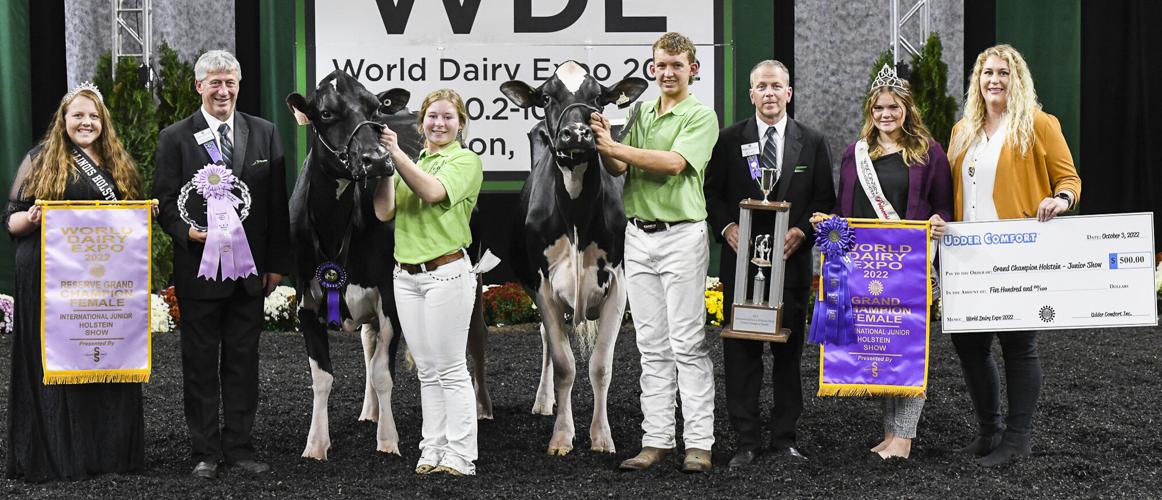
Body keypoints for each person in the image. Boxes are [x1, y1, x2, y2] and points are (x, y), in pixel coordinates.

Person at [153, 50, 290, 479]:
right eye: (214, 82)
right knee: (198, 364)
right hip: (199, 272)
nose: (223, 90)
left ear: (239, 85)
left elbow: (276, 207)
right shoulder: (175, 137)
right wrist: (187, 233)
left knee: (243, 363)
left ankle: (241, 448)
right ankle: (204, 453)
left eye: (230, 82)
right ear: (199, 87)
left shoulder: (265, 132)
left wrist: (277, 264)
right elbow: (163, 202)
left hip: (250, 275)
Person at [589, 31, 719, 473]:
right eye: (661, 65)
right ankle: (656, 439)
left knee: (687, 342)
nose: (667, 72)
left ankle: (699, 442)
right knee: (650, 344)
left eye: (676, 66)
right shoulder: (641, 110)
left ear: (692, 70)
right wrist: (606, 143)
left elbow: (674, 164)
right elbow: (618, 166)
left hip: (682, 234)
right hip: (639, 235)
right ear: (653, 68)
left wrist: (615, 145)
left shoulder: (701, 115)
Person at [946, 44, 1080, 466]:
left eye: (1004, 73)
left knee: (1018, 346)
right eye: (987, 73)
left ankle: (1018, 439)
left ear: (1017, 79)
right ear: (977, 80)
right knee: (970, 347)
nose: (995, 80)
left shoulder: (1038, 124)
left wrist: (1061, 199)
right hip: (966, 257)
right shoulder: (961, 130)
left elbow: (1068, 178)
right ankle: (990, 432)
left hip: (1015, 254)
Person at [3, 83, 145, 481]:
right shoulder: (40, 159)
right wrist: (30, 218)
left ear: (104, 123)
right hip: (49, 279)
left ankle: (107, 455)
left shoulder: (118, 164)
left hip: (102, 281)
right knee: (57, 359)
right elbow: (10, 221)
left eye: (93, 116)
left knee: (104, 356)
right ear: (63, 121)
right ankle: (55, 455)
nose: (86, 122)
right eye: (78, 115)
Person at [703, 60, 835, 468]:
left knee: (788, 357)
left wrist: (802, 232)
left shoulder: (812, 141)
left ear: (789, 92)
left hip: (790, 267)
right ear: (751, 94)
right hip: (741, 267)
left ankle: (784, 439)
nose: (770, 94)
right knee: (741, 356)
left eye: (777, 86)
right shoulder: (729, 141)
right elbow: (713, 195)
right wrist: (726, 228)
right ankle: (745, 441)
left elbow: (824, 200)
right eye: (762, 86)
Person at [824, 64, 952, 460]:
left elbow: (944, 207)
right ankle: (890, 433)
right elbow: (844, 210)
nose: (885, 114)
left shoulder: (928, 152)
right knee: (882, 352)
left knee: (910, 350)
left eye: (893, 107)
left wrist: (937, 221)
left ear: (907, 109)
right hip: (867, 269)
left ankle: (905, 439)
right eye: (878, 107)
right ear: (870, 110)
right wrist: (829, 227)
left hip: (909, 268)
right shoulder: (855, 154)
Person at [373, 89, 483, 477]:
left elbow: (434, 193)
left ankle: (461, 455)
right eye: (432, 117)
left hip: (446, 273)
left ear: (460, 124)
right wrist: (385, 166)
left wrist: (397, 154)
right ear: (421, 125)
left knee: (450, 367)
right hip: (407, 275)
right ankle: (432, 447)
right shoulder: (413, 162)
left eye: (448, 117)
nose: (439, 124)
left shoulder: (465, 160)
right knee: (426, 369)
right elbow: (385, 211)